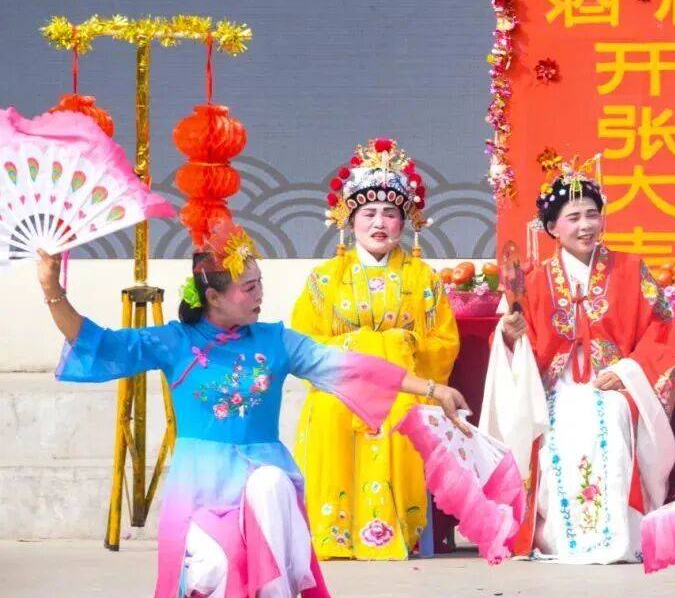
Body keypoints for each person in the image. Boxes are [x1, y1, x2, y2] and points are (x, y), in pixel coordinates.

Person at [35, 219, 469, 598]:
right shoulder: (176, 342)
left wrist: (432, 389)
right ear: (214, 297)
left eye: (260, 282)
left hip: (264, 483)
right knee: (213, 569)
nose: (260, 294)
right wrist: (51, 289)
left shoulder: (275, 341)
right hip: (200, 490)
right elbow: (101, 344)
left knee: (271, 489)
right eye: (249, 287)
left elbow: (350, 367)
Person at [481, 151, 675, 564]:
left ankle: (622, 532)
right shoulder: (535, 281)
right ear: (552, 228)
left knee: (608, 414)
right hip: (555, 389)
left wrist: (628, 372)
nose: (586, 225)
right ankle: (561, 535)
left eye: (592, 214)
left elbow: (662, 332)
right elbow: (518, 350)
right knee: (558, 422)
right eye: (573, 218)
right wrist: (508, 337)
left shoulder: (631, 269)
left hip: (616, 385)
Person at [292, 137, 459, 560]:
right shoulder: (324, 279)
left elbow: (443, 344)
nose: (379, 222)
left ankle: (398, 527)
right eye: (369, 213)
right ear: (350, 221)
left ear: (405, 222)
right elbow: (305, 346)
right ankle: (333, 532)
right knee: (328, 412)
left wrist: (404, 344)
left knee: (402, 413)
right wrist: (364, 345)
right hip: (340, 389)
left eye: (390, 212)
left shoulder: (424, 279)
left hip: (405, 388)